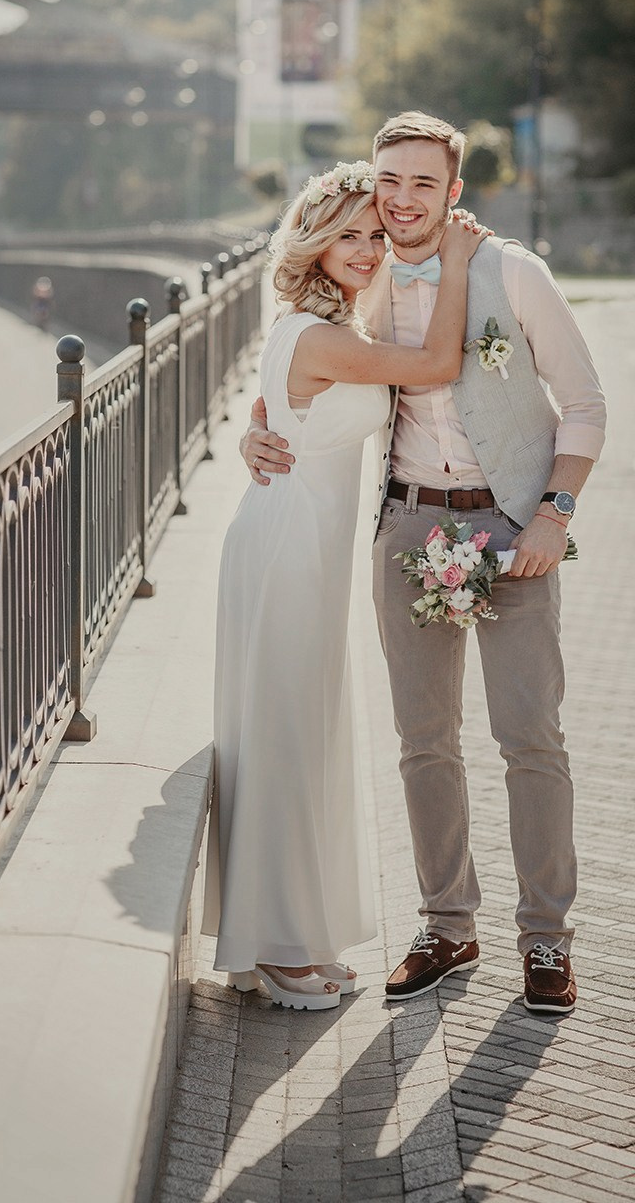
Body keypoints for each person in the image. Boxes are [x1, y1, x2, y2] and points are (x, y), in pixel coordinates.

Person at [240, 112, 607, 1014]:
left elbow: (587, 405)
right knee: (423, 744)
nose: (400, 201)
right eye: (387, 181)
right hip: (407, 525)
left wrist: (555, 516)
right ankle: (447, 924)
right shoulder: (359, 281)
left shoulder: (512, 272)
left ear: (453, 192)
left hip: (512, 527)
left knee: (531, 739)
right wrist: (260, 430)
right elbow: (299, 369)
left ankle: (547, 941)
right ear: (372, 183)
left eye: (421, 184)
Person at [203, 157, 488, 1011]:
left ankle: (287, 935)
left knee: (303, 730)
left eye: (375, 233)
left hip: (306, 544)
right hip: (290, 546)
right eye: (349, 235)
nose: (367, 248)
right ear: (315, 243)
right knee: (288, 733)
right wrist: (464, 264)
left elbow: (279, 406)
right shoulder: (323, 333)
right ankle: (280, 951)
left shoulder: (326, 328)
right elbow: (436, 361)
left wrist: (256, 429)